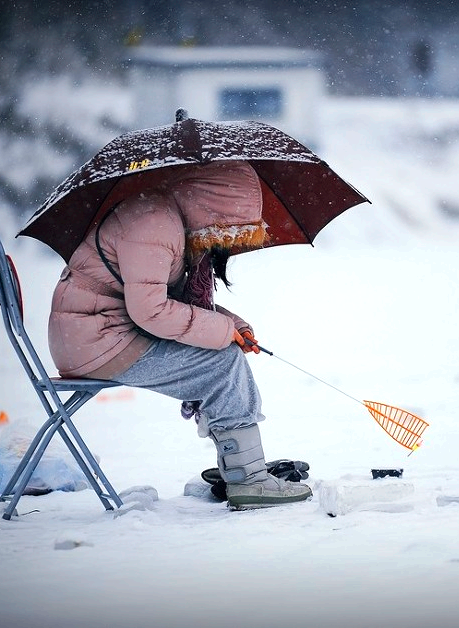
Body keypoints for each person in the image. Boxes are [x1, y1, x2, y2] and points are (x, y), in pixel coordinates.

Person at [47, 159, 311, 510]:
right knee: (222, 364)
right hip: (97, 339)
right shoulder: (153, 224)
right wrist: (222, 331)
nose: (226, 239)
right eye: (229, 226)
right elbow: (151, 311)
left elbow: (161, 299)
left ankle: (238, 465)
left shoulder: (166, 217)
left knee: (221, 355)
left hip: (96, 333)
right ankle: (247, 478)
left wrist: (232, 323)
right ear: (210, 205)